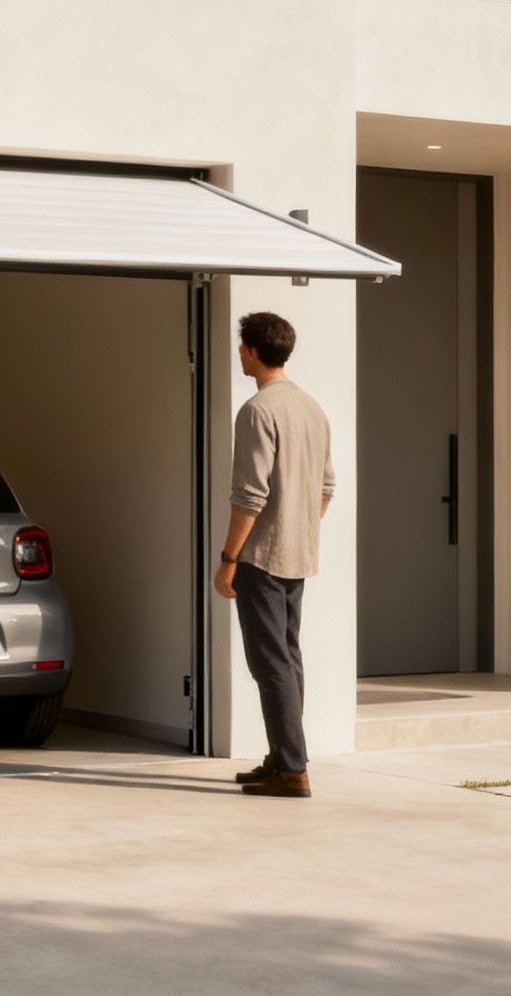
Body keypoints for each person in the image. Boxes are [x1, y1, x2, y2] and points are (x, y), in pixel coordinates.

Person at [214, 311, 333, 799]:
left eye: (242, 347)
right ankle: (283, 756)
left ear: (255, 351)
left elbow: (248, 495)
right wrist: (299, 526)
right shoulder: (311, 408)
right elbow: (326, 487)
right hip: (298, 553)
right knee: (288, 659)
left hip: (261, 558)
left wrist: (229, 558)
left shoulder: (258, 411)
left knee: (271, 665)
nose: (239, 353)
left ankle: (291, 769)